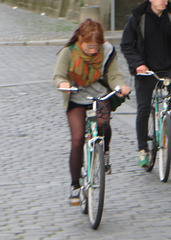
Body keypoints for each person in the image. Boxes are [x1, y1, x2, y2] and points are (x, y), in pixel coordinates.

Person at [54, 18, 130, 205]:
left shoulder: (107, 51)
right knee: (78, 138)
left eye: (96, 46)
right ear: (80, 39)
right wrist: (62, 84)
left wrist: (120, 85)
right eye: (89, 46)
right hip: (76, 97)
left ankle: (105, 152)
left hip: (99, 95)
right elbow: (58, 76)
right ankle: (75, 185)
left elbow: (113, 75)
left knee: (104, 124)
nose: (93, 50)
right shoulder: (68, 53)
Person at [121, 0, 171, 167]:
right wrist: (138, 64)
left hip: (168, 69)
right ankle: (143, 149)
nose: (163, 2)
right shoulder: (138, 17)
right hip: (146, 70)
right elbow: (126, 45)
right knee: (143, 108)